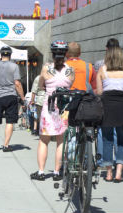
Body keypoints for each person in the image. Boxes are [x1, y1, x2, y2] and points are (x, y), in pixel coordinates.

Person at [31, 40, 75, 181]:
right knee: (61, 141)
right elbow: (69, 84)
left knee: (44, 141)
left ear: (52, 53)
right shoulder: (70, 70)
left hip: (49, 106)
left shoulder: (46, 68)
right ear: (66, 53)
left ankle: (41, 171)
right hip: (64, 107)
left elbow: (41, 85)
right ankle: (57, 173)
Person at [96, 47, 123, 182]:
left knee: (107, 139)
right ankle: (118, 173)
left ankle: (109, 173)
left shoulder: (102, 70)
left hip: (107, 107)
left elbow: (100, 92)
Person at [0, 46, 25, 152]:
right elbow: (17, 83)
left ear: (1, 55)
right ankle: (5, 145)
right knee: (10, 121)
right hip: (10, 96)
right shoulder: (14, 66)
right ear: (10, 55)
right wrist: (22, 97)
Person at [94, 38, 120, 166]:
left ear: (106, 49)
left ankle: (101, 160)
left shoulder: (99, 64)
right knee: (116, 131)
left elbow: (96, 84)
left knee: (101, 131)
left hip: (104, 101)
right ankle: (116, 161)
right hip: (119, 102)